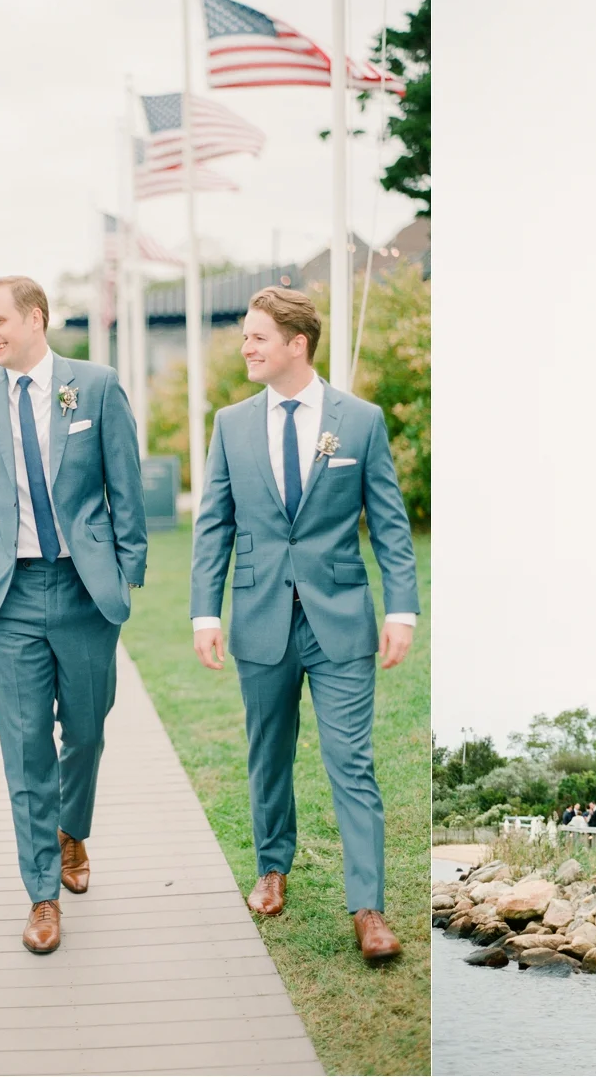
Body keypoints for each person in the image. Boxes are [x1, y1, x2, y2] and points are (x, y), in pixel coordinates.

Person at [189, 287, 419, 963]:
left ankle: (369, 907)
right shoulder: (231, 424)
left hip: (342, 620)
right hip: (259, 618)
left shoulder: (361, 421)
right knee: (268, 757)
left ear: (297, 343)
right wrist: (207, 611)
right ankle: (272, 869)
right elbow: (214, 526)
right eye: (244, 338)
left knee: (351, 762)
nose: (246, 348)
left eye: (257, 337)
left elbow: (391, 526)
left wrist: (401, 610)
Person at [0, 276, 147, 955]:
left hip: (86, 591)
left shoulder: (96, 386)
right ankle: (42, 894)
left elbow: (126, 484)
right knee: (26, 749)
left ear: (36, 318)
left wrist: (127, 572)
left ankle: (71, 831)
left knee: (85, 731)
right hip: (8, 597)